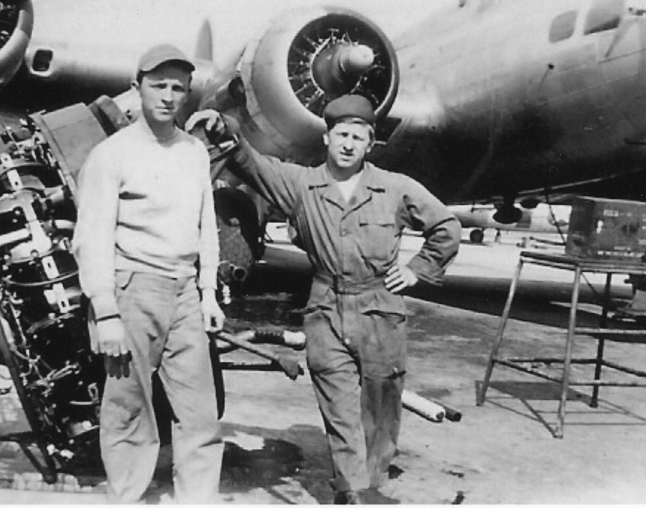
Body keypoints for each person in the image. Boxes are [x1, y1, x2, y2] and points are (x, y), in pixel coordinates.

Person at [187, 95, 461, 504]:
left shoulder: (395, 187)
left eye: (359, 137)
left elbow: (446, 227)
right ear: (327, 138)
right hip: (326, 307)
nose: (349, 144)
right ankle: (352, 490)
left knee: (381, 405)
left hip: (380, 309)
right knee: (339, 405)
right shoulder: (301, 185)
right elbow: (252, 163)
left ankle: (371, 479)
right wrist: (225, 129)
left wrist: (417, 269)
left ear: (370, 144)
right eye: (342, 135)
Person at [72, 43, 224, 504]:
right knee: (128, 408)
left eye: (179, 88)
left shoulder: (194, 151)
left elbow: (206, 227)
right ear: (137, 87)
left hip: (185, 295)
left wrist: (209, 292)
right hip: (133, 289)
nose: (168, 96)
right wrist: (107, 312)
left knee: (201, 413)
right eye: (158, 85)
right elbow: (90, 238)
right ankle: (128, 496)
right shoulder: (111, 154)